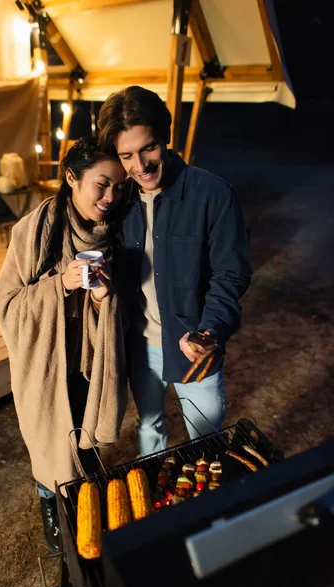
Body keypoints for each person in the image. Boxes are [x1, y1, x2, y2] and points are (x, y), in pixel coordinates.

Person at [97, 85, 252, 457]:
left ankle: (208, 511)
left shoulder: (212, 193)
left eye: (148, 148)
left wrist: (209, 330)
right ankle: (159, 508)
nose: (141, 166)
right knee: (149, 424)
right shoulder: (120, 200)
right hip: (140, 343)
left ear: (165, 138)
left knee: (206, 436)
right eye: (127, 156)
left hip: (195, 344)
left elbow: (230, 274)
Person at [0, 136, 128, 552]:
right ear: (71, 178)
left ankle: (86, 501)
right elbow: (7, 305)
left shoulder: (119, 231)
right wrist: (58, 286)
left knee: (85, 438)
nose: (110, 196)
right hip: (44, 360)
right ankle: (51, 505)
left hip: (87, 358)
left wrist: (105, 299)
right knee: (50, 442)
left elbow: (123, 298)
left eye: (119, 187)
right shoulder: (32, 231)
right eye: (101, 184)